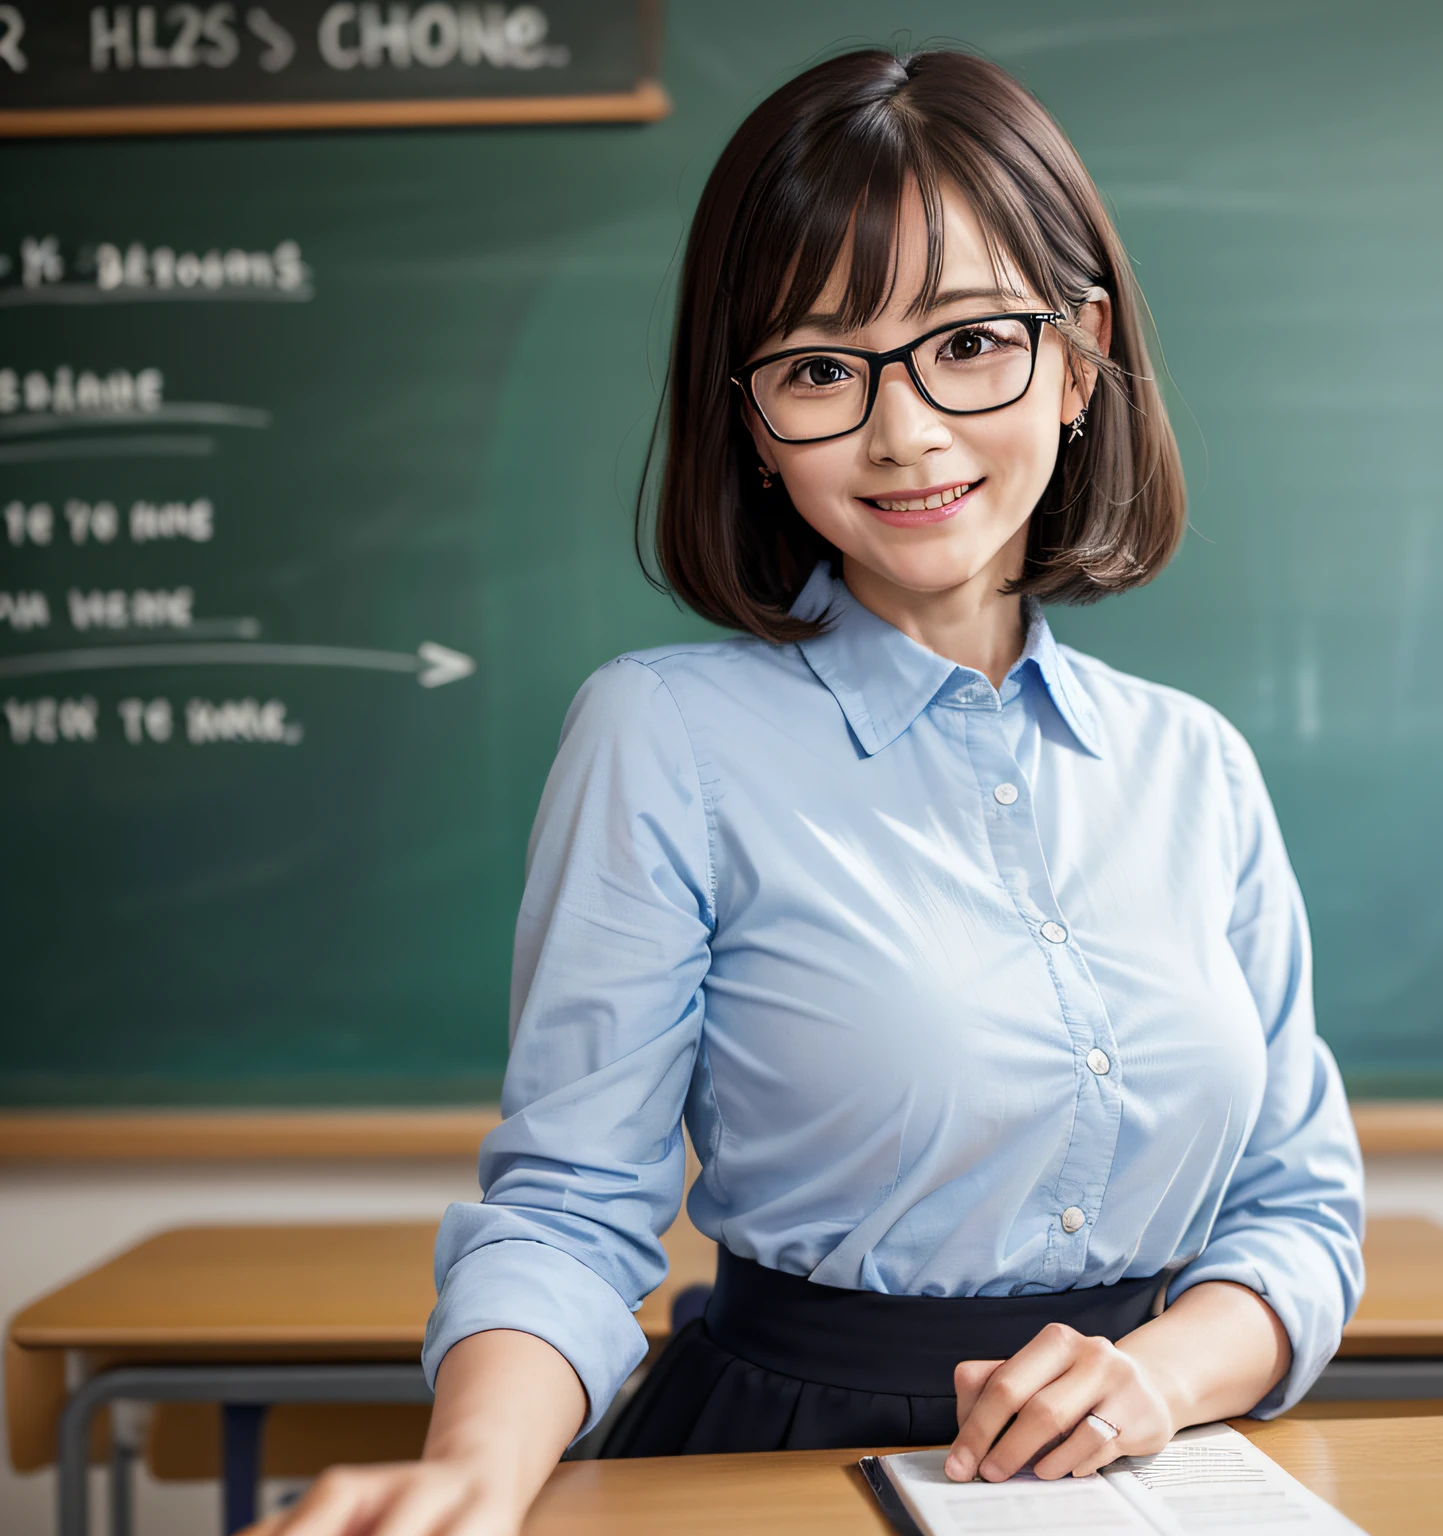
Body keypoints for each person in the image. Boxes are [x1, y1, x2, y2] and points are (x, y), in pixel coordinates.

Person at [258, 47, 1363, 1536]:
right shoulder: (663, 736)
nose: (904, 434)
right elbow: (571, 1212)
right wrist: (477, 1472)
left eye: (970, 344)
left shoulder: (1195, 767)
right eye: (821, 370)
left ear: (1082, 353)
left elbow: (1297, 1215)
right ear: (756, 426)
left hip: (1145, 1473)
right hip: (780, 1465)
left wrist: (1155, 1378)